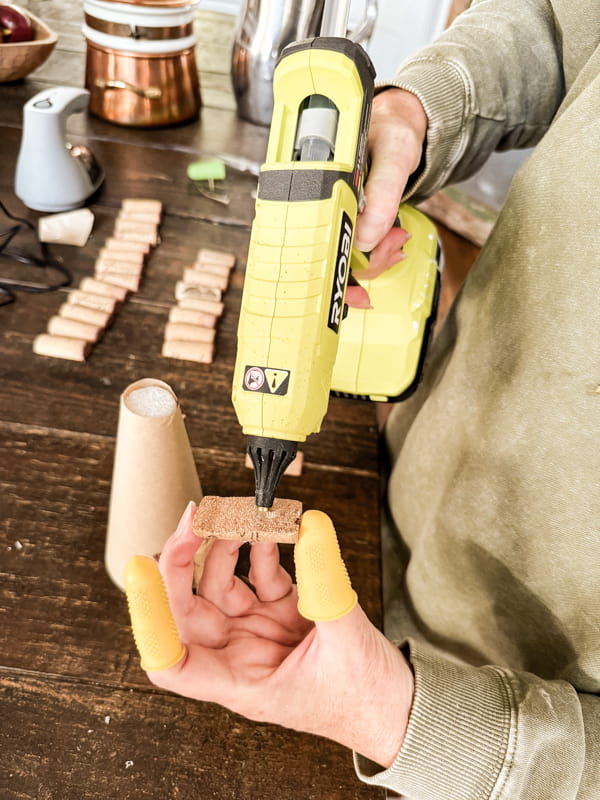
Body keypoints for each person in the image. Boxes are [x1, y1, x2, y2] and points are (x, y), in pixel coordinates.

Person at [125, 1, 600, 797]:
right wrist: (420, 111)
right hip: (405, 500)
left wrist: (407, 720)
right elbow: (561, 26)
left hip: (518, 733)